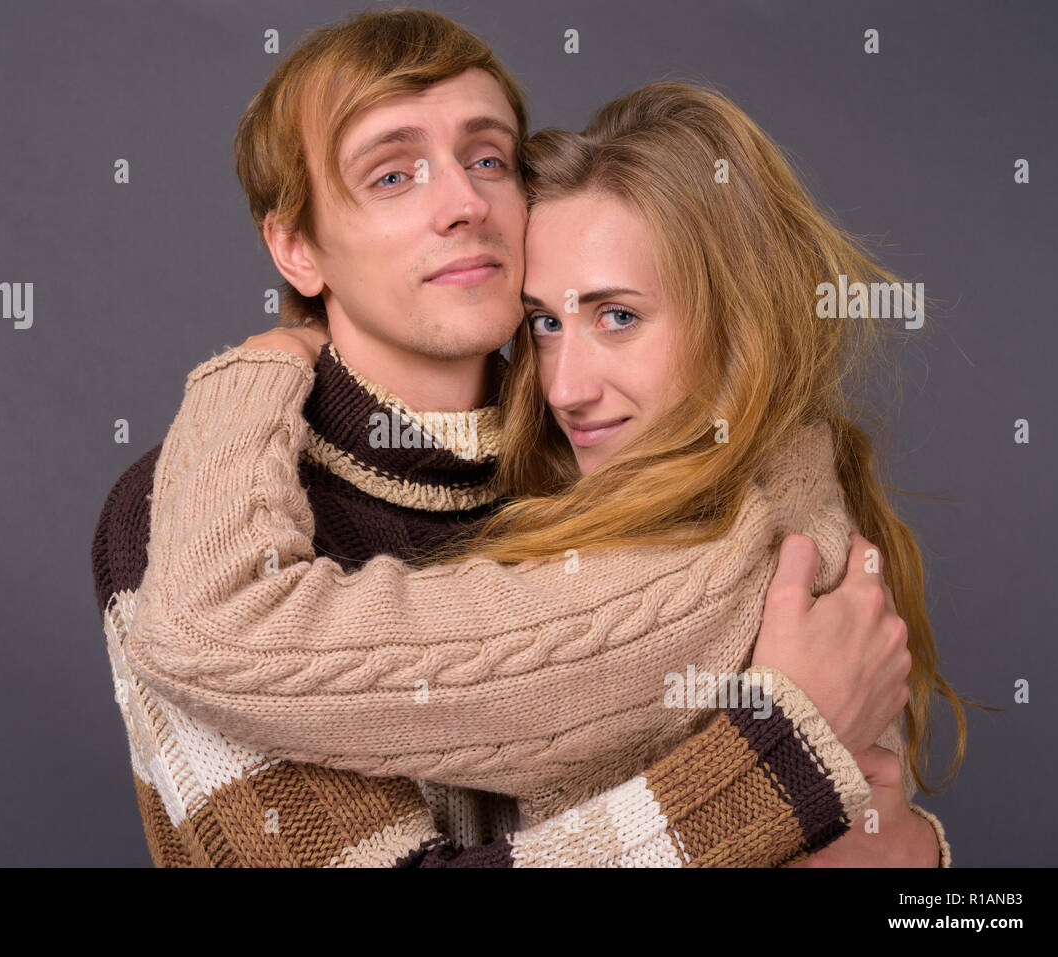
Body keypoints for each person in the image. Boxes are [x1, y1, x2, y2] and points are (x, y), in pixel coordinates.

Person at [95, 9, 942, 867]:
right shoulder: (185, 518)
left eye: (488, 159)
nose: (463, 202)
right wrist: (780, 764)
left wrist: (921, 869)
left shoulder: (618, 455)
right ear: (296, 248)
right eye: (393, 176)